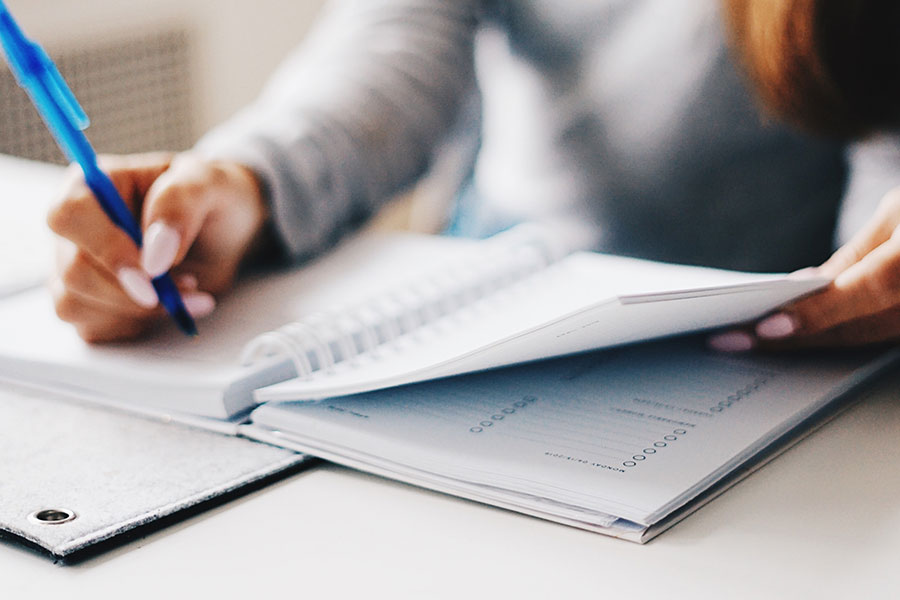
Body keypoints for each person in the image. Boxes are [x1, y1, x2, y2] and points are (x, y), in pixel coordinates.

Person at [45, 0, 900, 349]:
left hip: (761, 364)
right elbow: (387, 57)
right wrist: (241, 183)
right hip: (484, 325)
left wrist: (865, 290)